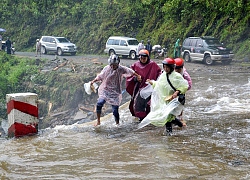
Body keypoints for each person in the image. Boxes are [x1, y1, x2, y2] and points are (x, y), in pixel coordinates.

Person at [139, 58, 188, 135]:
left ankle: (169, 135)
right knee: (168, 116)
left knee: (167, 117)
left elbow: (184, 86)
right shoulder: (163, 75)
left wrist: (176, 92)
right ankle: (181, 125)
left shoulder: (177, 76)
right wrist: (152, 83)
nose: (165, 69)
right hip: (165, 100)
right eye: (164, 67)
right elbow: (159, 85)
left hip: (174, 100)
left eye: (167, 67)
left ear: (172, 67)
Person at [90, 54, 141, 126]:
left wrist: (138, 76)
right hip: (106, 90)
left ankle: (117, 124)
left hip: (115, 92)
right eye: (111, 65)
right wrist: (93, 81)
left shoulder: (121, 69)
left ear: (118, 64)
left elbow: (131, 72)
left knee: (115, 111)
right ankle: (98, 121)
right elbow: (100, 76)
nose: (113, 66)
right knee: (99, 103)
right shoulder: (107, 68)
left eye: (114, 65)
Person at [126, 49, 161, 121]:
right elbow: (129, 75)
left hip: (150, 88)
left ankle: (149, 118)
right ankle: (141, 119)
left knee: (150, 104)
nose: (143, 59)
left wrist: (154, 82)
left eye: (144, 57)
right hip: (139, 89)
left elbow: (159, 74)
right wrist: (136, 79)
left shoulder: (153, 65)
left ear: (148, 57)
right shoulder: (135, 65)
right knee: (137, 105)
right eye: (141, 57)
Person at [174, 57, 192, 123]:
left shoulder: (185, 74)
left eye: (179, 69)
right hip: (171, 91)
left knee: (180, 104)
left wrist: (182, 88)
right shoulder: (169, 71)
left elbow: (189, 85)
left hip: (181, 92)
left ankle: (180, 118)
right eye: (175, 68)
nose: (177, 70)